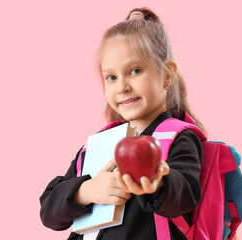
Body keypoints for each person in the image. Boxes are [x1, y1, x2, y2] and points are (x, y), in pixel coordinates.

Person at [39, 7, 206, 240]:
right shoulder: (98, 144)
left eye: (135, 71)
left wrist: (158, 180)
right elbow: (49, 211)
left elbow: (184, 197)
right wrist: (86, 191)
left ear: (167, 74)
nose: (122, 87)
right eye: (112, 77)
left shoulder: (177, 137)